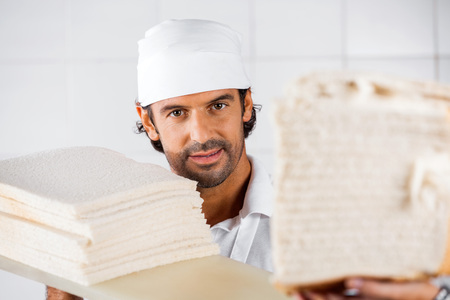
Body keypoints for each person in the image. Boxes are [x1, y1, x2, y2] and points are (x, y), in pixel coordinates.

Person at [47, 19, 446, 300]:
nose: (201, 135)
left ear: (246, 105)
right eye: (176, 113)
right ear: (147, 121)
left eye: (217, 105)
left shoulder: (326, 227)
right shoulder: (114, 234)